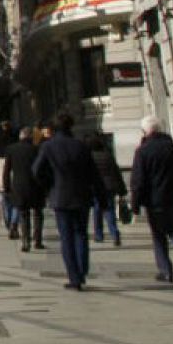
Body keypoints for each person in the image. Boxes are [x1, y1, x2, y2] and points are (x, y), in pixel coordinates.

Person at [33, 113, 101, 290]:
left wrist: (49, 185)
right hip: (82, 196)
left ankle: (74, 277)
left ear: (54, 129)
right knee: (81, 234)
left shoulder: (48, 146)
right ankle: (82, 269)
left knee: (66, 237)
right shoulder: (81, 146)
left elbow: (37, 170)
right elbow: (93, 173)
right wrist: (99, 195)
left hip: (60, 196)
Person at [129, 115, 173, 284]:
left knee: (158, 236)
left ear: (145, 131)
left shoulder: (143, 151)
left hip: (154, 202)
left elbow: (138, 180)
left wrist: (135, 203)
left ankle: (166, 271)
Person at [1, 127, 45, 251]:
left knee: (24, 214)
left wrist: (6, 187)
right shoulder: (38, 149)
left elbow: (6, 171)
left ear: (21, 136)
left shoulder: (11, 149)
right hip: (37, 186)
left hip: (19, 186)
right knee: (38, 213)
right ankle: (38, 240)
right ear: (31, 137)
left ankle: (26, 241)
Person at [86, 132, 125, 246]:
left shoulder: (90, 157)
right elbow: (116, 172)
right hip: (110, 186)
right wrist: (121, 188)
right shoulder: (108, 155)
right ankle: (114, 233)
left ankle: (99, 235)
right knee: (110, 211)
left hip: (96, 187)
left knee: (97, 211)